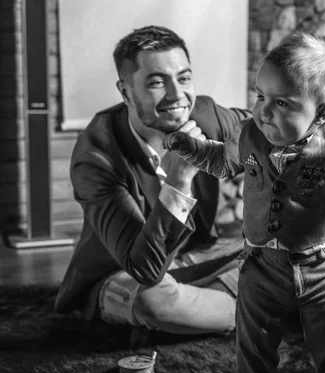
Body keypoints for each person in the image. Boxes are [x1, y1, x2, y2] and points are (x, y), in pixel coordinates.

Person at [164, 32, 325, 373]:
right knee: (252, 350)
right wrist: (190, 147)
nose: (263, 111)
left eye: (282, 103)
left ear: (321, 114)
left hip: (320, 271)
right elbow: (222, 162)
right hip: (259, 267)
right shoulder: (248, 135)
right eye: (260, 96)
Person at [54, 26, 251, 338]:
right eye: (157, 82)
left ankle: (210, 310)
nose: (177, 96)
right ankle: (265, 313)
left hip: (198, 255)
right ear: (125, 92)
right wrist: (180, 180)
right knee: (152, 301)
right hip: (124, 271)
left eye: (184, 78)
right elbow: (144, 269)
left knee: (281, 249)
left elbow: (268, 130)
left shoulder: (208, 115)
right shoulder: (96, 157)